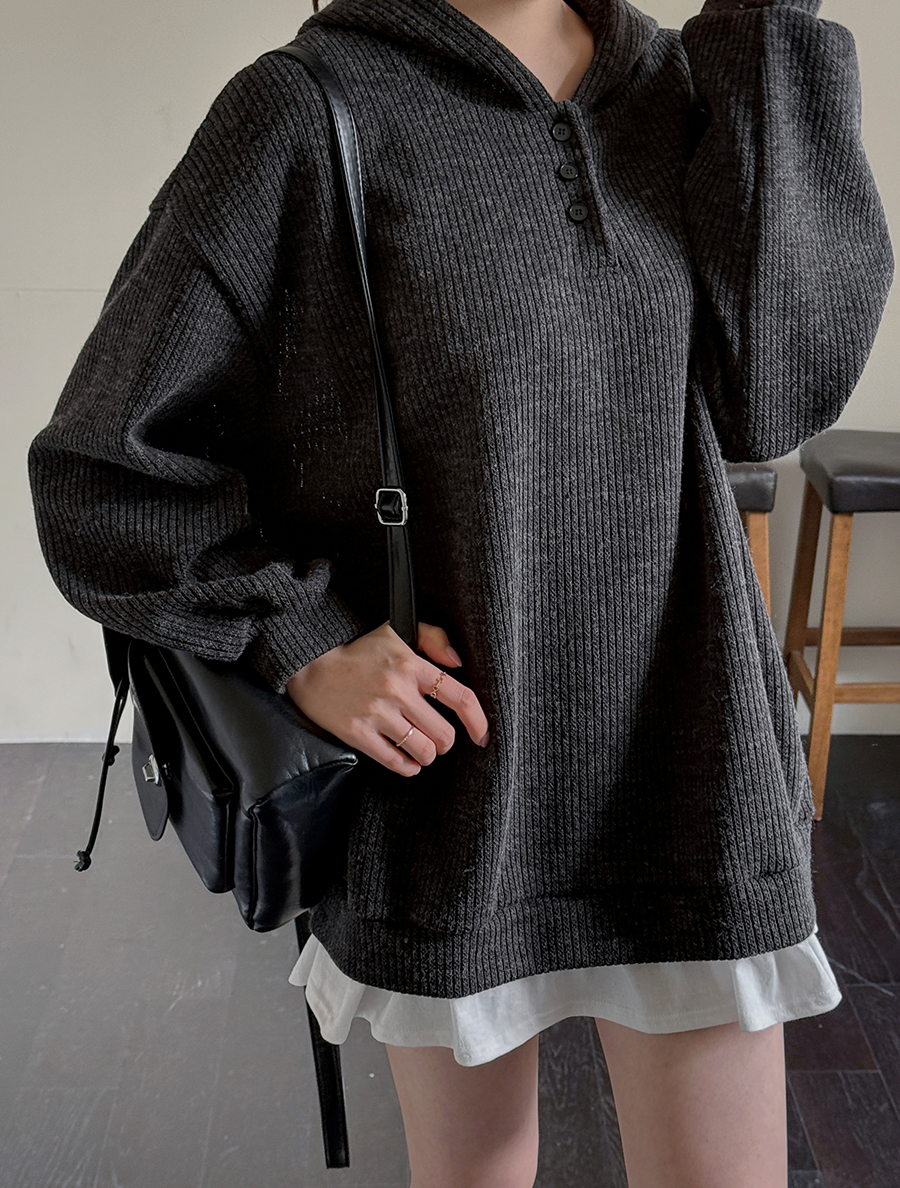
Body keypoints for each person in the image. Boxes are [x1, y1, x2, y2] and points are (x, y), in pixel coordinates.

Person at [27, 0, 893, 1184]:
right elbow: (102, 467)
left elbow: (777, 397)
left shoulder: (687, 85)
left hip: (693, 766)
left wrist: (768, 29)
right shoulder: (305, 109)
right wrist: (306, 641)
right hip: (457, 786)